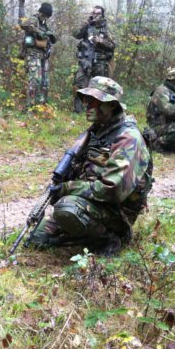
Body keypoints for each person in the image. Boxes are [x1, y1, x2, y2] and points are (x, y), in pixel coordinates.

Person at [30, 76, 153, 256]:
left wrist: (67, 188)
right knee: (38, 238)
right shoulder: (98, 131)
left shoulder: (128, 138)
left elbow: (112, 189)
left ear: (111, 105)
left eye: (94, 101)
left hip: (117, 211)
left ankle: (111, 239)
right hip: (93, 203)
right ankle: (87, 233)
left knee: (67, 208)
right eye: (86, 100)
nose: (87, 105)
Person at [72, 6, 115, 113]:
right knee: (79, 84)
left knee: (100, 88)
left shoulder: (106, 29)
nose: (95, 15)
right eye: (93, 13)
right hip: (85, 61)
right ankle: (78, 111)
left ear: (102, 15)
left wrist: (101, 41)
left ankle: (98, 111)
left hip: (100, 62)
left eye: (98, 13)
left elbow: (113, 45)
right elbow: (75, 34)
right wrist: (87, 21)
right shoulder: (87, 26)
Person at [19, 2, 57, 108]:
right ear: (40, 12)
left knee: (45, 83)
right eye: (44, 14)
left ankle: (41, 106)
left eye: (47, 16)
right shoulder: (34, 19)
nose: (45, 17)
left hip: (44, 56)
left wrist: (51, 35)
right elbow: (23, 24)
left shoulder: (45, 24)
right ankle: (30, 106)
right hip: (33, 54)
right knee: (35, 80)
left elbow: (53, 38)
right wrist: (39, 32)